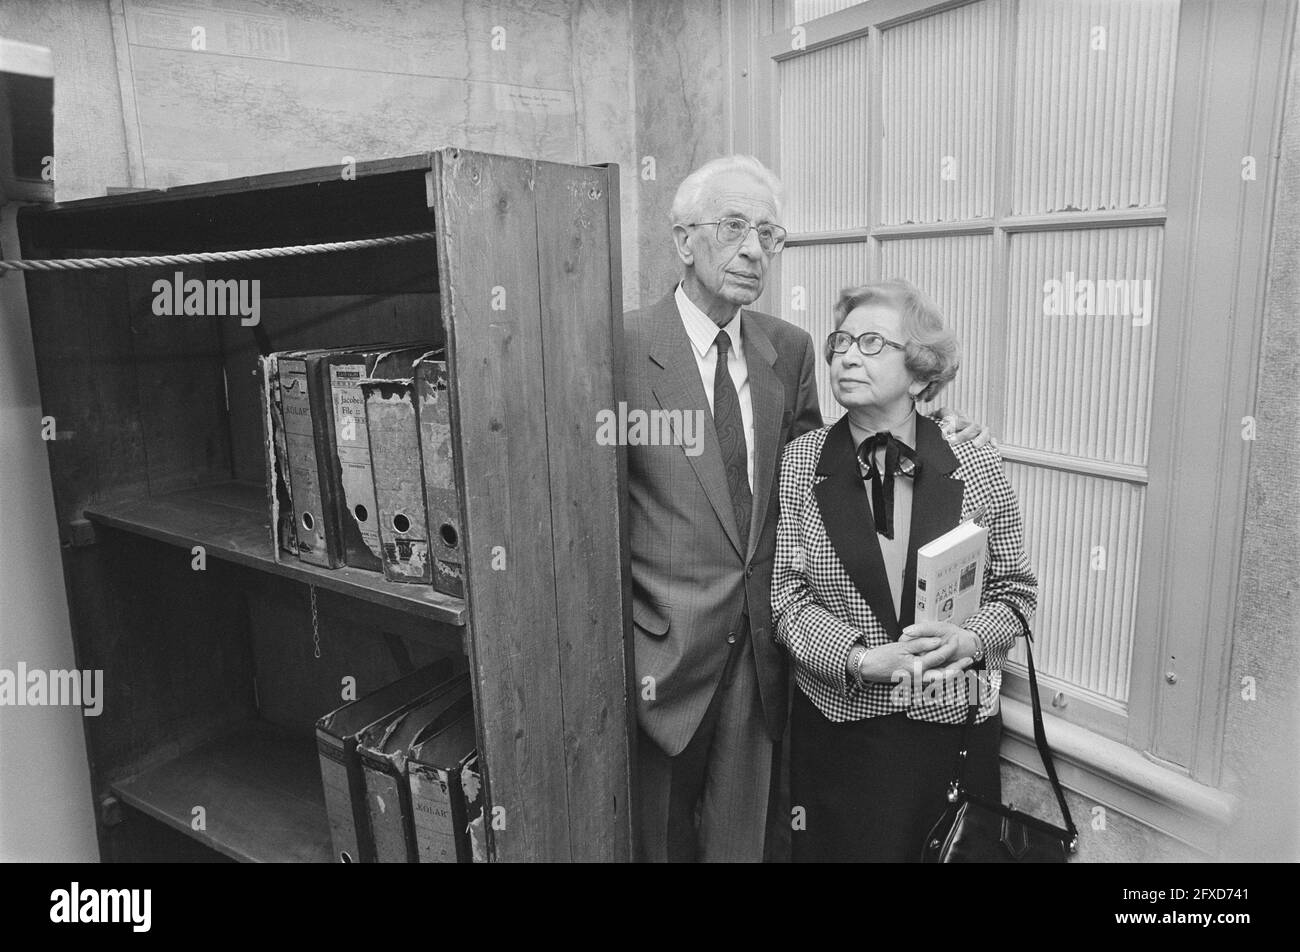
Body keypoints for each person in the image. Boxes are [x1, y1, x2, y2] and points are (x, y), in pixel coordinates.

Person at [623, 160, 988, 862]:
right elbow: (595, 517)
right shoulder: (620, 348)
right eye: (734, 227)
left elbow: (819, 473)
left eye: (768, 233)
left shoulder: (785, 349)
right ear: (682, 240)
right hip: (661, 656)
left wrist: (934, 420)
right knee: (654, 842)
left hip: (766, 658)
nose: (754, 249)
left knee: (743, 844)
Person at [770, 279, 1037, 863]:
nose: (845, 355)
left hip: (951, 732)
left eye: (870, 343)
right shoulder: (800, 462)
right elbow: (787, 598)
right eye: (840, 341)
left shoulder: (974, 457)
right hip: (843, 737)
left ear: (918, 375)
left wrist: (970, 637)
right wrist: (861, 659)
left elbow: (1016, 591)